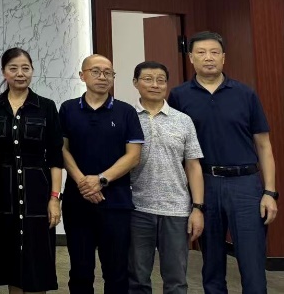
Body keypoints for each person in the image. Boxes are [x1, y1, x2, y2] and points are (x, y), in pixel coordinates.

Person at [168, 31, 277, 294]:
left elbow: (264, 145)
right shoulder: (179, 96)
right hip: (203, 185)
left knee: (252, 262)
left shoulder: (245, 94)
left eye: (214, 52)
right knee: (212, 264)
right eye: (201, 52)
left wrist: (270, 192)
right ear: (191, 58)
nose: (208, 58)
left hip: (245, 185)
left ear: (224, 57)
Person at [59, 54, 143, 294]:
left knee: (117, 272)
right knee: (80, 271)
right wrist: (83, 183)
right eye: (95, 71)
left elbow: (133, 156)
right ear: (82, 76)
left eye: (108, 73)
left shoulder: (126, 111)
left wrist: (101, 180)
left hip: (116, 203)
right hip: (77, 202)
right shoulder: (68, 109)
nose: (102, 77)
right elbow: (61, 149)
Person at [0, 47, 63, 293]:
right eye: (13, 68)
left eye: (25, 68)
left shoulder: (46, 106)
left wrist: (55, 199)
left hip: (37, 195)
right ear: (3, 72)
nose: (20, 74)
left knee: (38, 262)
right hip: (2, 196)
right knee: (10, 263)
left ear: (32, 71)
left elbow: (56, 156)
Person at [128, 61, 205, 294]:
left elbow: (193, 166)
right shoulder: (126, 117)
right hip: (136, 208)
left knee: (176, 280)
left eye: (160, 80)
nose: (155, 84)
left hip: (176, 210)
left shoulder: (183, 120)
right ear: (135, 82)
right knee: (137, 278)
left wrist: (197, 208)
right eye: (148, 79)